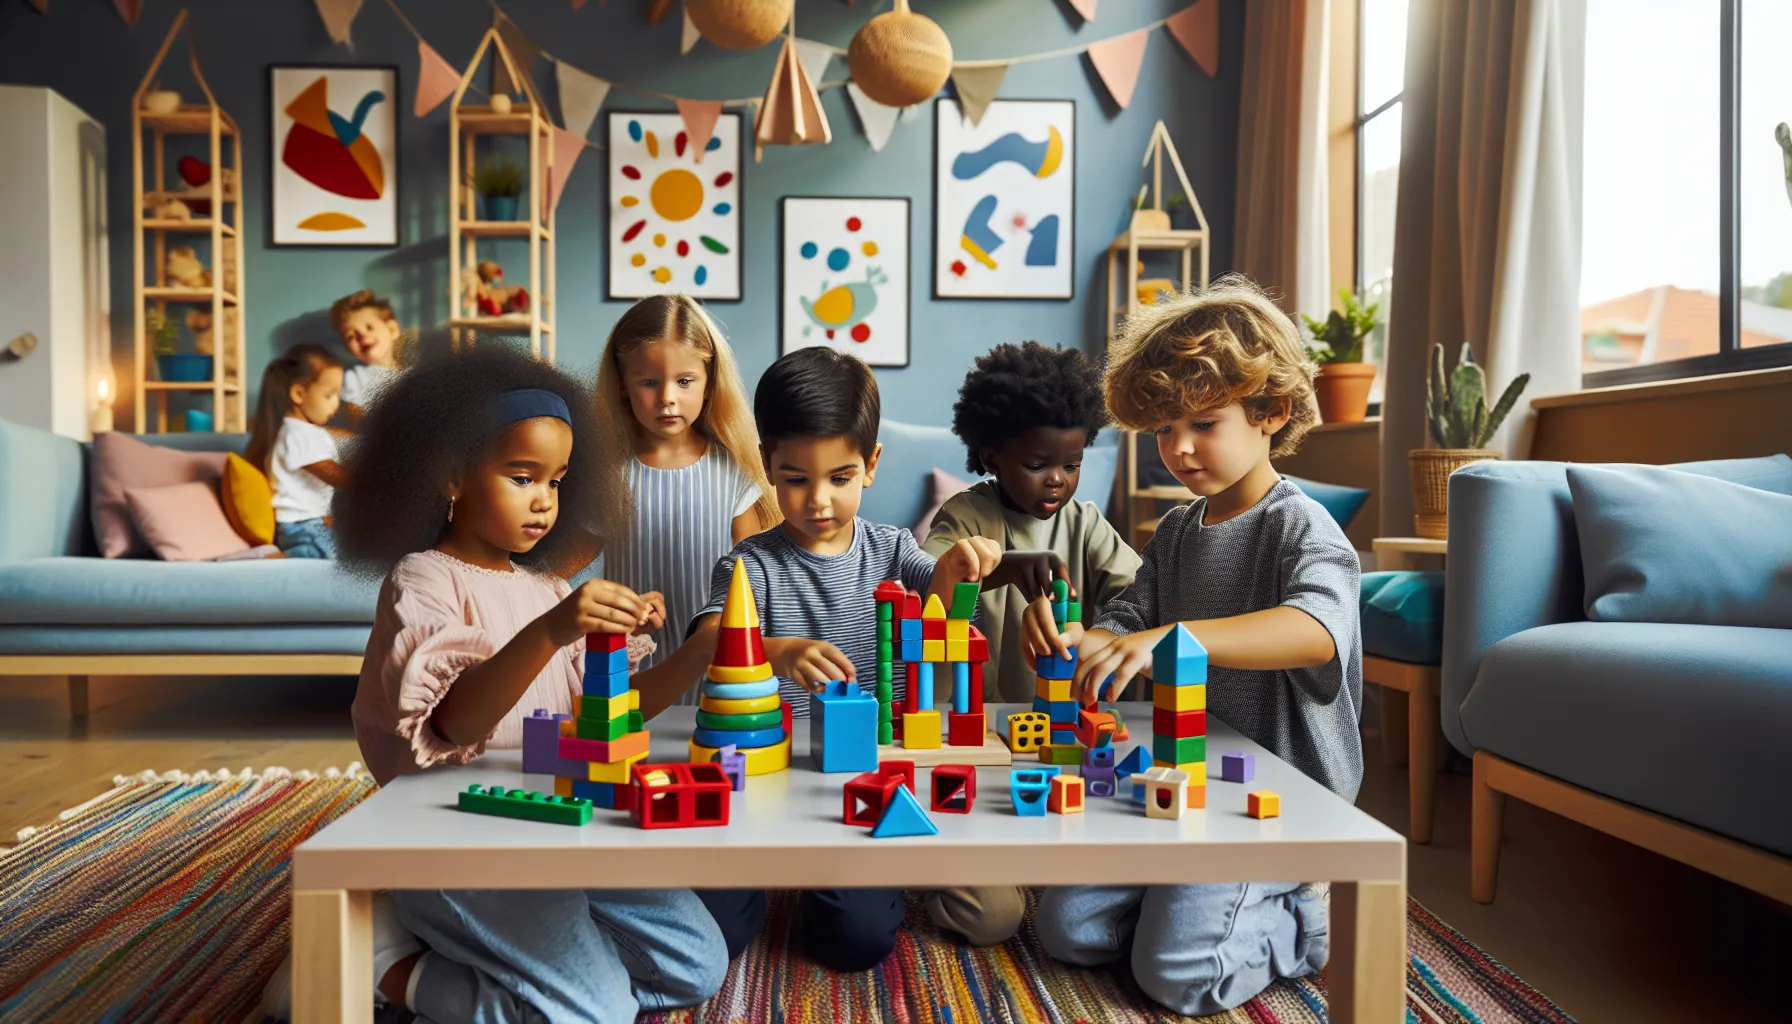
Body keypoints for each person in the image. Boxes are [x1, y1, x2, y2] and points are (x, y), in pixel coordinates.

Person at [260, 345, 726, 1023]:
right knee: (598, 1014)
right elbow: (454, 724)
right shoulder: (423, 579)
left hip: (560, 828)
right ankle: (385, 967)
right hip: (460, 841)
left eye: (556, 482)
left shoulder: (545, 588)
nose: (544, 501)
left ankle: (534, 969)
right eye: (522, 476)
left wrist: (697, 654)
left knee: (697, 965)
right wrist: (552, 632)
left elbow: (612, 712)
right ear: (452, 476)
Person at [1040, 278, 1362, 1016]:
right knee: (1069, 929)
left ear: (1271, 412)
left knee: (1176, 976)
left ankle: (1303, 922)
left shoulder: (1301, 526)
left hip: (1276, 798)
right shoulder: (1179, 530)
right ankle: (1192, 898)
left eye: (1204, 423)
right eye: (1164, 429)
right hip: (1186, 779)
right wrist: (1083, 639)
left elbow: (1317, 632)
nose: (1178, 449)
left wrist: (1178, 638)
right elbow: (1130, 618)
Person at [680, 346, 1056, 973]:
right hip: (774, 779)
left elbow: (940, 601)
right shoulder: (750, 563)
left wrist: (962, 566)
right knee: (716, 932)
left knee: (887, 936)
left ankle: (857, 874)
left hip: (874, 779)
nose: (818, 500)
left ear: (871, 465)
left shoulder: (892, 549)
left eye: (840, 478)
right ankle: (790, 874)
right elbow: (710, 637)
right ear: (767, 466)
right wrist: (776, 650)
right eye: (795, 478)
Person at [925, 340, 1141, 703]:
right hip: (974, 713)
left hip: (1062, 710)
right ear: (991, 458)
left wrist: (1094, 635)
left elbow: (1140, 598)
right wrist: (1008, 567)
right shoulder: (965, 514)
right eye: (1037, 465)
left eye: (1071, 465)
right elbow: (927, 583)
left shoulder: (1086, 523)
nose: (1056, 479)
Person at [591, 295, 778, 692]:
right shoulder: (607, 476)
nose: (667, 398)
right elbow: (563, 575)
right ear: (623, 385)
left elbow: (753, 581)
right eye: (648, 382)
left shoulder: (733, 473)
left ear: (710, 383)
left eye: (684, 381)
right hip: (629, 673)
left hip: (718, 675)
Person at [244, 343, 344, 559]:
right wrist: (367, 480)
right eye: (329, 395)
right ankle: (280, 557)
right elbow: (331, 473)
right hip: (301, 527)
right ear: (299, 394)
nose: (336, 404)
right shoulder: (295, 433)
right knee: (345, 557)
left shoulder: (304, 431)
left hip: (310, 523)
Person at [329, 288, 404, 418]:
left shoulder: (413, 374)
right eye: (351, 336)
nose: (362, 336)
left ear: (392, 330)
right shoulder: (354, 378)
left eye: (369, 327)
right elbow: (357, 422)